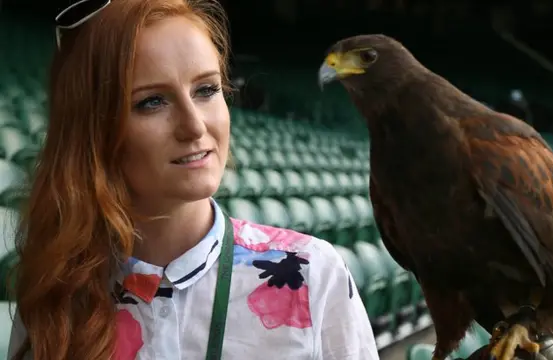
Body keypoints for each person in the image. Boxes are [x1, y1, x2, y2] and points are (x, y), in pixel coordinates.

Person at [6, 0, 378, 359]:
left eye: (206, 90)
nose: (194, 126)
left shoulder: (314, 273)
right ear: (93, 130)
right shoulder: (54, 291)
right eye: (151, 101)